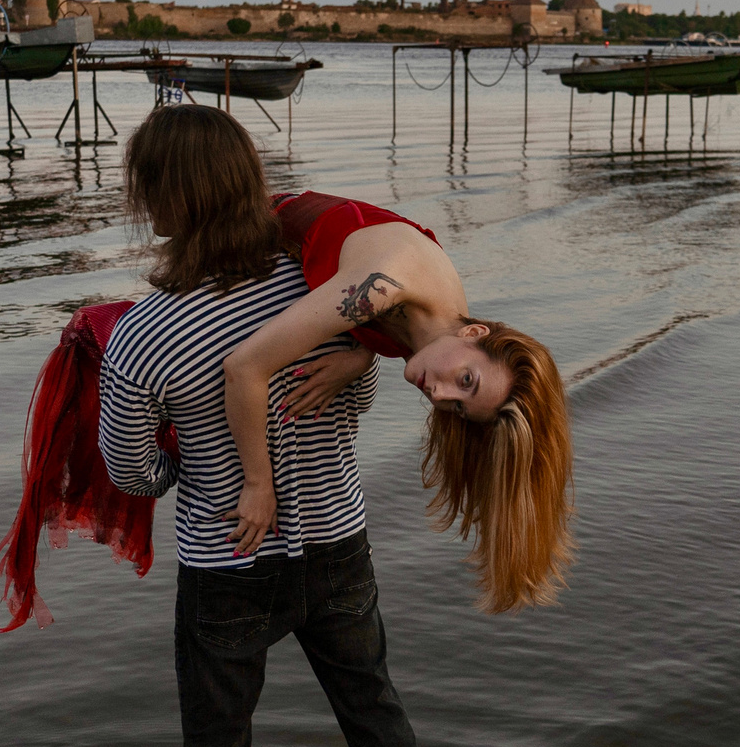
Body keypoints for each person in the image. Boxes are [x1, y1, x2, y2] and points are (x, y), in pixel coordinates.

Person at [100, 105, 451, 747]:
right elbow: (359, 396)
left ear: (158, 202)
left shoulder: (140, 336)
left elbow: (130, 473)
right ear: (249, 182)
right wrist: (356, 362)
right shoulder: (314, 293)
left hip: (230, 562)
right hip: (338, 545)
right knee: (376, 715)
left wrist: (197, 469)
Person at [220, 192, 574, 614]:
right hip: (236, 223)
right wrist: (259, 485)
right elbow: (243, 369)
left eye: (459, 406)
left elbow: (371, 314)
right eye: (467, 380)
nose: (441, 396)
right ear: (477, 334)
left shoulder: (440, 328)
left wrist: (359, 354)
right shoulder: (385, 285)